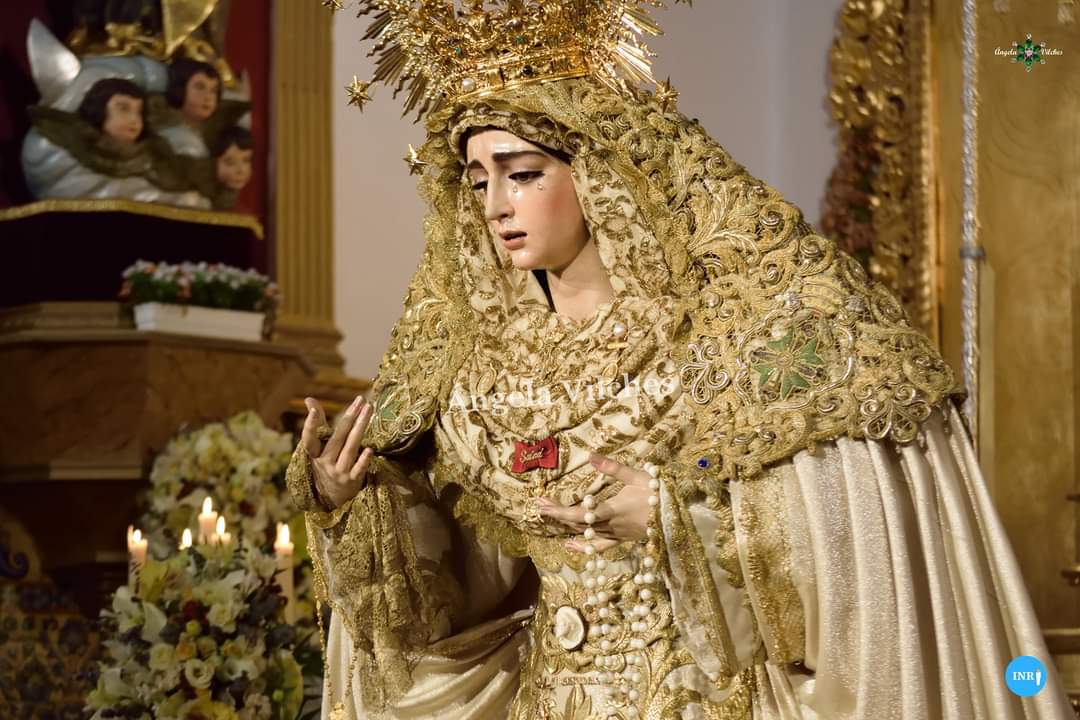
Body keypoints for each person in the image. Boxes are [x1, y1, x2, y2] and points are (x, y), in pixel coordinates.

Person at [286, 3, 1074, 718]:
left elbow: (856, 525)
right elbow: (464, 592)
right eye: (478, 179)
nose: (496, 205)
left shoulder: (719, 336)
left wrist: (677, 513)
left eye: (523, 174)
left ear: (595, 175)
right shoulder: (477, 374)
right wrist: (356, 501)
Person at [22, 76, 209, 208]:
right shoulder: (80, 147)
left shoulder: (153, 153)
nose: (134, 119)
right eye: (123, 108)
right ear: (99, 109)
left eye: (138, 112)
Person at [157, 58, 222, 157]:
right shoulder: (177, 139)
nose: (208, 97)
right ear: (179, 89)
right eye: (200, 87)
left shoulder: (201, 136)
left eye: (213, 91)